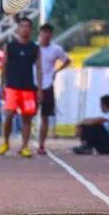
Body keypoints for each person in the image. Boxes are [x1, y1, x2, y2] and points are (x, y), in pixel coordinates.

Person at [0, 17, 42, 158]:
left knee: (27, 118)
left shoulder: (35, 48)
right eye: (22, 26)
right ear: (18, 28)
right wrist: (2, 86)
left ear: (31, 29)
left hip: (28, 88)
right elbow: (4, 66)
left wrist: (40, 89)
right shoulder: (10, 46)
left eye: (27, 26)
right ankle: (6, 142)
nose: (24, 29)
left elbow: (39, 69)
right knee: (9, 115)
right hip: (12, 87)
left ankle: (24, 146)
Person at [37, 23, 71, 155]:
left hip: (47, 85)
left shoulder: (56, 49)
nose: (46, 35)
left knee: (45, 116)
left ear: (51, 35)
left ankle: (41, 144)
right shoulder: (34, 48)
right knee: (27, 116)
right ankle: (25, 144)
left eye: (48, 33)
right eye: (44, 33)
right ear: (40, 34)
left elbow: (67, 60)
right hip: (33, 84)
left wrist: (56, 71)